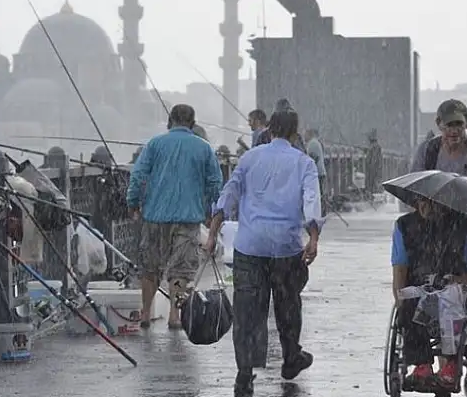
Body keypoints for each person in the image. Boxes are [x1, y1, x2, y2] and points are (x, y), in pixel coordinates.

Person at [204, 106, 323, 397]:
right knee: (288, 304)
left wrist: (213, 234)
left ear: (269, 130)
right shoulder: (304, 163)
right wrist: (313, 237)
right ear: (295, 134)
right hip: (286, 247)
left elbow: (228, 195)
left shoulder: (249, 158)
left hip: (250, 246)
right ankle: (290, 356)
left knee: (248, 311)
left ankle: (245, 374)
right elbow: (311, 200)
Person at [126, 104, 223, 329]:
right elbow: (215, 183)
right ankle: (174, 315)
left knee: (150, 266)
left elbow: (138, 175)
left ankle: (145, 313)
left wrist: (133, 203)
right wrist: (213, 211)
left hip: (155, 216)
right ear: (193, 123)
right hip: (188, 218)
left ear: (170, 121)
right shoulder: (204, 148)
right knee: (181, 269)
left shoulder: (154, 144)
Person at [391, 197, 467, 391]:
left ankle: (451, 365)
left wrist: (458, 280)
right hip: (422, 290)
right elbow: (400, 269)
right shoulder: (405, 226)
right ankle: (422, 365)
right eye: (422, 200)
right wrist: (400, 298)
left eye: (432, 202)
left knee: (452, 301)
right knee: (409, 304)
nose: (425, 206)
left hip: (458, 291)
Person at [411, 99, 467, 194]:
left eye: (459, 124)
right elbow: (414, 188)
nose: (454, 131)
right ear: (439, 124)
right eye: (449, 125)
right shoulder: (427, 150)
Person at [304, 128, 327, 216]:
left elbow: (312, 157)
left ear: (309, 134)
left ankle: (320, 212)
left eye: (305, 134)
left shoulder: (312, 143)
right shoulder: (317, 142)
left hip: (317, 172)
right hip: (321, 171)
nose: (304, 137)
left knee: (318, 193)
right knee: (321, 193)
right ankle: (322, 211)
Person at [365, 129, 383, 197]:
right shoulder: (377, 147)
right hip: (375, 169)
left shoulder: (374, 148)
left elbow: (373, 160)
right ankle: (372, 192)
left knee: (371, 182)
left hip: (373, 170)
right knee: (373, 182)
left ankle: (371, 193)